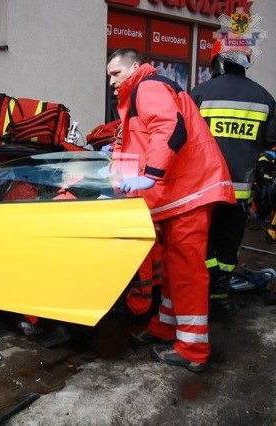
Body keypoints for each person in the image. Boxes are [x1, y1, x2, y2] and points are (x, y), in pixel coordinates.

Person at [106, 48, 236, 372]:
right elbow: (138, 143)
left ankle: (193, 349)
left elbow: (170, 129)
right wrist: (120, 180)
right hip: (178, 193)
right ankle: (166, 326)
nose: (111, 81)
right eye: (109, 75)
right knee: (174, 266)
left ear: (135, 67)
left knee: (187, 270)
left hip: (187, 191)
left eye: (115, 73)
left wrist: (150, 176)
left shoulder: (147, 88)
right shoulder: (135, 97)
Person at [190, 40, 276, 318]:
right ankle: (221, 296)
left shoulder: (201, 93)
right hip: (239, 195)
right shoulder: (264, 98)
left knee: (204, 245)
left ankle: (206, 292)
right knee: (228, 246)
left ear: (218, 61)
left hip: (205, 192)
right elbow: (271, 144)